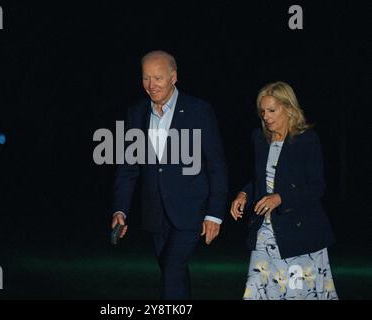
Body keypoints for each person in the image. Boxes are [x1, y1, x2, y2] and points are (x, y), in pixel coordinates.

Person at [111, 50, 228, 299]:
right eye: (145, 78)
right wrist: (120, 210)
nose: (151, 86)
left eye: (158, 78)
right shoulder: (137, 113)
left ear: (173, 77)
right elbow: (129, 168)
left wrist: (215, 214)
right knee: (171, 270)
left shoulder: (199, 111)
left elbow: (216, 165)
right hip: (155, 213)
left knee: (172, 270)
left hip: (190, 210)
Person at [230, 81, 338, 300]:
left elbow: (317, 186)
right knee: (257, 292)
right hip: (265, 232)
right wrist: (244, 194)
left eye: (272, 110)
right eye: (263, 111)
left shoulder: (307, 140)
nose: (266, 117)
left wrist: (281, 198)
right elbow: (259, 180)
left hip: (299, 233)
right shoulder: (259, 139)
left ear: (289, 109)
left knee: (295, 294)